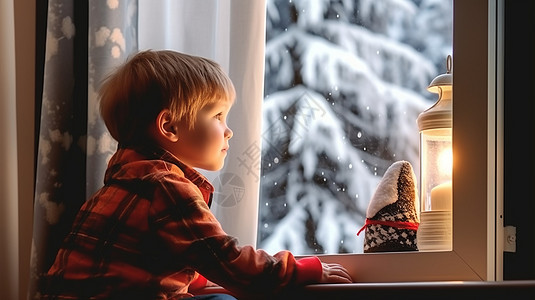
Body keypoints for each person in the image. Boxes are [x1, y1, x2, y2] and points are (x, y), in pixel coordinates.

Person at [42, 50, 353, 300]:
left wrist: (193, 271)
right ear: (170, 127)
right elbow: (230, 263)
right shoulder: (166, 187)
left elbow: (148, 261)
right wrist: (303, 271)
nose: (228, 131)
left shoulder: (118, 186)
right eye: (217, 116)